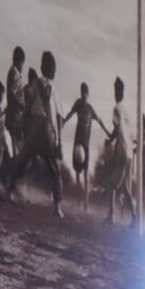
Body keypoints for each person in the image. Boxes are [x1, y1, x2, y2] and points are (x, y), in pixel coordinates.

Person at [5, 50, 64, 216]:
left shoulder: (35, 84)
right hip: (47, 129)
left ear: (41, 67)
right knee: (55, 168)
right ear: (54, 70)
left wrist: (22, 124)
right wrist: (59, 140)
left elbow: (27, 105)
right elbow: (59, 117)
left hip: (34, 128)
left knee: (23, 160)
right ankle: (57, 206)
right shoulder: (55, 90)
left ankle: (10, 190)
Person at [60, 81, 109, 210]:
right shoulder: (78, 103)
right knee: (77, 172)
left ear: (88, 95)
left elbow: (99, 121)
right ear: (81, 94)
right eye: (82, 94)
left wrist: (107, 132)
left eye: (85, 94)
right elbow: (71, 113)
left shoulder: (90, 109)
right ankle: (78, 199)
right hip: (77, 143)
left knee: (86, 173)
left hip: (86, 145)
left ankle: (86, 202)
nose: (83, 96)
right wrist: (64, 121)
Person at [95, 76, 135, 225]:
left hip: (123, 151)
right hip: (129, 153)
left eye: (117, 90)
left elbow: (117, 129)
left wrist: (110, 140)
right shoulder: (126, 111)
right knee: (126, 188)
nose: (116, 93)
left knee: (112, 184)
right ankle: (135, 218)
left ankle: (111, 216)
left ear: (119, 92)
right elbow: (128, 133)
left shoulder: (117, 108)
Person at [3, 47, 23, 157]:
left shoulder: (15, 72)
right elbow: (10, 92)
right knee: (18, 149)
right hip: (14, 117)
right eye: (22, 64)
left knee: (18, 148)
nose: (22, 67)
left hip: (16, 116)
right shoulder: (13, 73)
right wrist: (21, 105)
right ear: (18, 61)